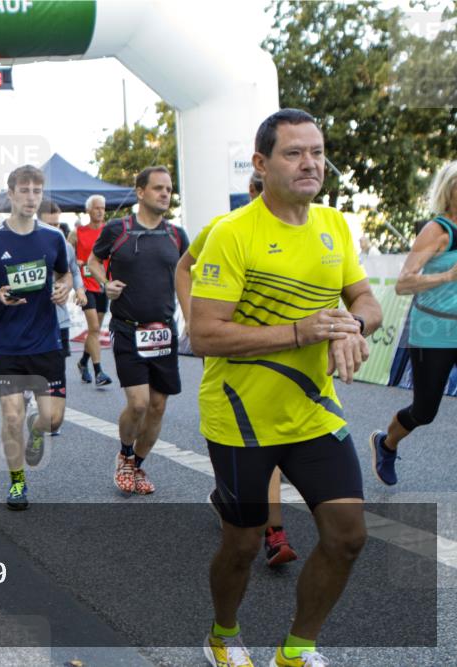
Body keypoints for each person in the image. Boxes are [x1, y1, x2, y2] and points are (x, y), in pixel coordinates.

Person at [191, 109, 382, 667]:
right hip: (241, 416)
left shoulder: (333, 225)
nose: (310, 163)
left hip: (313, 410)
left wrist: (354, 325)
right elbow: (204, 334)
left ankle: (296, 651)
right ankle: (223, 636)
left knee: (348, 536)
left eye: (317, 152)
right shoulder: (233, 234)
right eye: (294, 152)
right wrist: (300, 331)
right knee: (245, 544)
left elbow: (365, 300)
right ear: (261, 163)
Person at [176, 172, 299, 567]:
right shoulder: (223, 229)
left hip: (282, 356)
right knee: (248, 440)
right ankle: (259, 520)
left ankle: (273, 531)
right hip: (232, 353)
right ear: (251, 192)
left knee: (270, 441)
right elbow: (183, 268)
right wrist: (193, 318)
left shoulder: (307, 227)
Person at [0, 165, 73, 510]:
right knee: (11, 415)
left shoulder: (53, 238)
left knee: (53, 418)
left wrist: (63, 289)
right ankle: (17, 483)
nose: (31, 197)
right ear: (10, 194)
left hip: (46, 342)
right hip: (6, 345)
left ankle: (37, 430)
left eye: (37, 191)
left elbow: (66, 275)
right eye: (24, 191)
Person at [87, 167, 188, 497]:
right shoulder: (118, 229)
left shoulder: (176, 235)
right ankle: (125, 454)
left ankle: (138, 463)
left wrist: (193, 322)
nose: (165, 194)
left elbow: (187, 278)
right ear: (140, 192)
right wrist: (106, 284)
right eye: (158, 188)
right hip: (127, 328)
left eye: (169, 189)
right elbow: (93, 261)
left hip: (164, 332)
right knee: (140, 403)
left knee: (158, 405)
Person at [370, 160, 457, 486]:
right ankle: (386, 443)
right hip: (434, 331)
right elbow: (404, 284)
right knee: (424, 411)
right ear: (451, 191)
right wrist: (447, 276)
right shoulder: (437, 230)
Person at [39, 200, 88, 436]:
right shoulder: (24, 244)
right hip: (30, 320)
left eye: (57, 224)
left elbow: (73, 269)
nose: (55, 229)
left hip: (59, 319)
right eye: (49, 224)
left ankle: (53, 413)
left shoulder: (62, 243)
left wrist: (78, 290)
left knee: (56, 365)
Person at [68, 194, 113, 386]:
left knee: (95, 329)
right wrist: (76, 261)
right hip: (85, 286)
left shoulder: (109, 231)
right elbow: (66, 256)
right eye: (96, 208)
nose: (100, 211)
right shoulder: (77, 233)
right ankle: (99, 372)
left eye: (103, 208)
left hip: (103, 284)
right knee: (94, 327)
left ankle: (83, 362)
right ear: (88, 210)